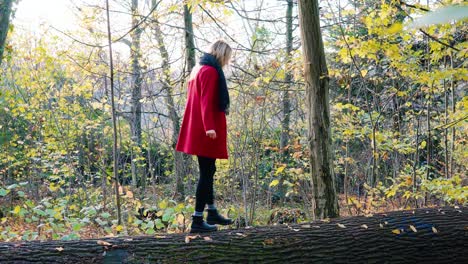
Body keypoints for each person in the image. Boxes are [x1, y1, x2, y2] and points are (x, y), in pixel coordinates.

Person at [176, 40, 233, 233]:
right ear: (221, 54)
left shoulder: (198, 68)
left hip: (199, 127)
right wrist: (209, 127)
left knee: (209, 169)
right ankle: (198, 219)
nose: (227, 62)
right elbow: (206, 100)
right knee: (206, 173)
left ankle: (211, 211)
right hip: (206, 129)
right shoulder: (209, 71)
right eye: (227, 57)